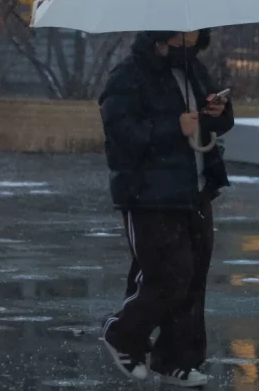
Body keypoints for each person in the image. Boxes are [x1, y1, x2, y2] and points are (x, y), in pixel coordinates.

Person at [98, 29, 233, 387]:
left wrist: (218, 112)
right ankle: (122, 335)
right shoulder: (128, 76)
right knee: (167, 277)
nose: (193, 35)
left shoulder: (192, 68)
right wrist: (174, 127)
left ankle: (177, 358)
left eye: (197, 31)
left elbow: (214, 124)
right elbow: (122, 135)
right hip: (149, 195)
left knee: (193, 278)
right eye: (185, 30)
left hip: (196, 189)